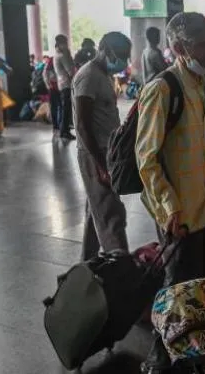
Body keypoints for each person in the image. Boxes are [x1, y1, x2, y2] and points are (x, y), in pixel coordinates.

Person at [136, 12, 205, 371]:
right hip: (178, 213)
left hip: (200, 205)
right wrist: (169, 205)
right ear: (177, 47)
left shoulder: (199, 84)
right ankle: (158, 358)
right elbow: (147, 157)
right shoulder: (162, 89)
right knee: (175, 288)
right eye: (202, 45)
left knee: (196, 284)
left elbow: (194, 146)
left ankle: (191, 350)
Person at [72, 32, 131, 261]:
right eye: (121, 55)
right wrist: (100, 165)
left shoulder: (104, 74)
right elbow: (82, 125)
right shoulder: (88, 76)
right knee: (111, 213)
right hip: (94, 153)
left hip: (108, 150)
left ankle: (87, 262)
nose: (124, 61)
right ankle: (120, 266)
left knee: (96, 208)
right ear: (105, 50)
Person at [54, 35, 76, 141]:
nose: (67, 45)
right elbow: (70, 71)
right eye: (66, 42)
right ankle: (65, 131)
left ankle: (64, 129)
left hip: (61, 84)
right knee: (66, 109)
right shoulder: (63, 55)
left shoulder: (56, 54)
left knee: (64, 108)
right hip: (67, 84)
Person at [42, 55, 62, 135]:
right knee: (57, 106)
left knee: (57, 107)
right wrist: (49, 85)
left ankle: (58, 124)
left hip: (57, 87)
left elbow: (45, 75)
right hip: (54, 87)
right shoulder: (51, 63)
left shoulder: (51, 63)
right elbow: (45, 75)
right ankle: (57, 124)